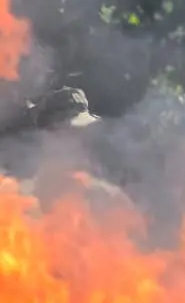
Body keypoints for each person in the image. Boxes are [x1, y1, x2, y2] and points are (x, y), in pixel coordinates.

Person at [2, 87, 133, 213]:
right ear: (48, 136)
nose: (82, 144)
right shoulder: (20, 197)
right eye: (72, 134)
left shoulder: (108, 192)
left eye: (86, 134)